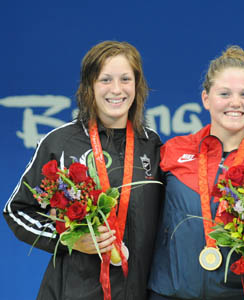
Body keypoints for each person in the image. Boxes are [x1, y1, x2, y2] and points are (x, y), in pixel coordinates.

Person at [3, 40, 163, 300]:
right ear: (89, 86)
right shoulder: (60, 142)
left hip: (138, 291)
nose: (116, 89)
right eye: (105, 80)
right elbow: (16, 211)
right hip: (73, 292)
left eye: (125, 79)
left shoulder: (151, 144)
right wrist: (68, 240)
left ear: (137, 85)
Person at [148, 45, 244, 300]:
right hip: (169, 294)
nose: (235, 103)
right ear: (206, 98)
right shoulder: (173, 152)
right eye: (224, 93)